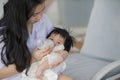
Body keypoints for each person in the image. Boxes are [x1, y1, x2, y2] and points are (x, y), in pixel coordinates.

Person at [0, 0, 71, 80]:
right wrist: (32, 59)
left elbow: (61, 45)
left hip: (43, 72)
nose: (40, 17)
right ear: (20, 13)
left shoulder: (44, 21)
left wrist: (62, 54)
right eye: (35, 14)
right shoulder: (3, 35)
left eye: (42, 10)